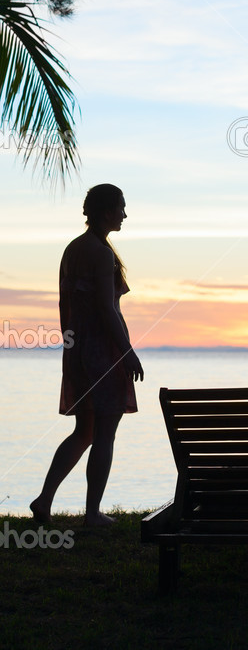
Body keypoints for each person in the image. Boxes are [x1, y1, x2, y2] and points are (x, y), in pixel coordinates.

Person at [30, 184, 143, 526]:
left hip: (78, 350)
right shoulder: (100, 252)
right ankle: (92, 513)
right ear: (108, 211)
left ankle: (44, 499)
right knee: (104, 431)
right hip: (103, 351)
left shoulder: (74, 249)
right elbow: (108, 310)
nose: (124, 215)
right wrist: (128, 353)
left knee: (86, 430)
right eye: (121, 208)